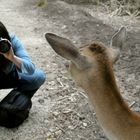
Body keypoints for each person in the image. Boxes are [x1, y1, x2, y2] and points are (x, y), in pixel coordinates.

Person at [0, 21, 46, 128]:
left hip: (9, 76)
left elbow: (30, 69)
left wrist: (12, 57)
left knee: (38, 77)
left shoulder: (11, 42)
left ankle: (15, 101)